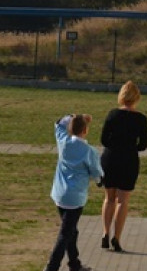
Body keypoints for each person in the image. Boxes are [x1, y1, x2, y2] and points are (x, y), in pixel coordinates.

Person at [44, 113, 103, 271]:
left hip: (59, 194)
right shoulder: (89, 151)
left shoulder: (63, 141)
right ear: (85, 130)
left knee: (71, 230)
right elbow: (96, 173)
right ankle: (52, 266)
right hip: (75, 198)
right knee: (65, 234)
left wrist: (74, 116)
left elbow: (58, 122)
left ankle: (74, 264)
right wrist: (99, 181)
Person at [99, 80, 147, 252]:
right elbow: (143, 145)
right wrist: (130, 146)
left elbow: (103, 140)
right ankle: (117, 237)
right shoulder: (141, 119)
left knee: (109, 198)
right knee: (123, 201)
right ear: (137, 97)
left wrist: (115, 144)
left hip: (110, 158)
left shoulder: (112, 114)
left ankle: (105, 232)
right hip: (128, 160)